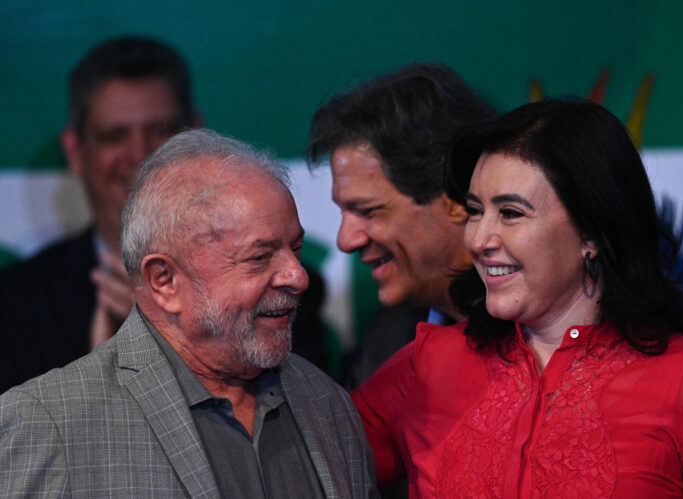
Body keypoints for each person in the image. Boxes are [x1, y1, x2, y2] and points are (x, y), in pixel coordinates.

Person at [351, 99, 683, 497]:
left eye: (510, 213)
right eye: (475, 211)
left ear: (593, 231)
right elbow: (304, 455)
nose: (477, 239)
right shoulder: (430, 364)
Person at [0, 129, 377, 497]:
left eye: (295, 249)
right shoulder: (49, 422)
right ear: (164, 281)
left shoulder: (327, 404)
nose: (297, 276)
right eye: (259, 257)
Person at [0, 36, 326, 392]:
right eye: (114, 135)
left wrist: (168, 339)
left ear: (197, 135)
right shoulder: (16, 304)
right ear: (76, 151)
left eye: (161, 131)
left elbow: (291, 421)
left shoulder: (282, 287)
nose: (140, 155)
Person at [307, 63, 497, 386]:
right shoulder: (386, 342)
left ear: (456, 198)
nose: (345, 240)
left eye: (367, 211)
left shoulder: (547, 335)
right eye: (343, 212)